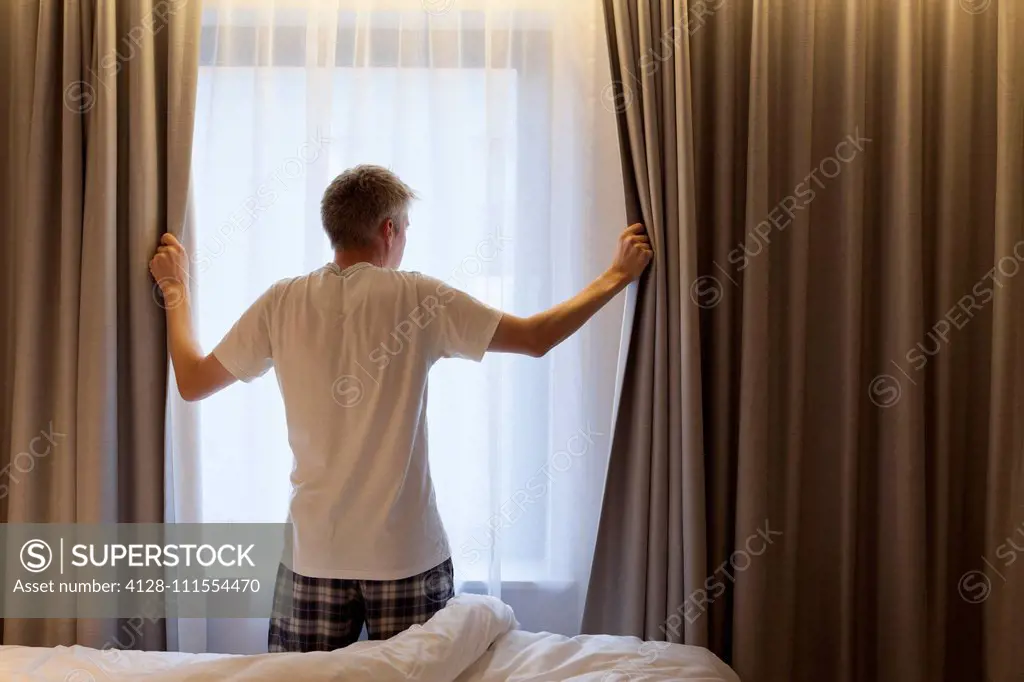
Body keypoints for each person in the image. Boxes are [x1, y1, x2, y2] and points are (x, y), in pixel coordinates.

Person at [149, 164, 652, 653]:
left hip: (314, 557)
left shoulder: (282, 302)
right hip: (407, 555)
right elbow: (537, 337)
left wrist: (175, 287)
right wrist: (616, 275)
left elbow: (192, 382)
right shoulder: (418, 296)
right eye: (405, 228)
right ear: (389, 229)